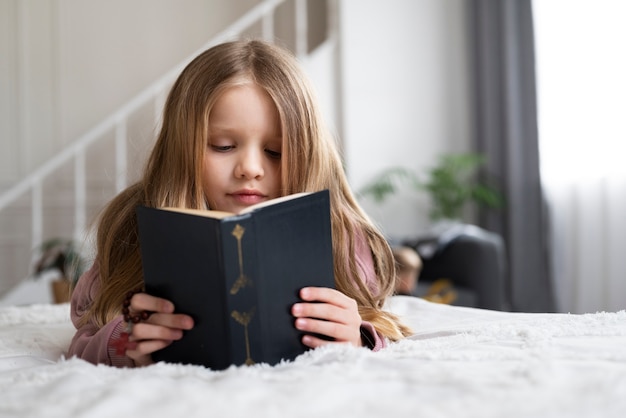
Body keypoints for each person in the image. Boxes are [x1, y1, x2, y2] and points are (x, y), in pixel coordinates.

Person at [68, 39, 412, 368]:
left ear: (308, 156)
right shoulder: (133, 227)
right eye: (222, 146)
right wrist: (126, 342)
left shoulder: (342, 236)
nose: (250, 168)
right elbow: (84, 337)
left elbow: (378, 325)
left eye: (275, 152)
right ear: (181, 150)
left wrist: (357, 338)